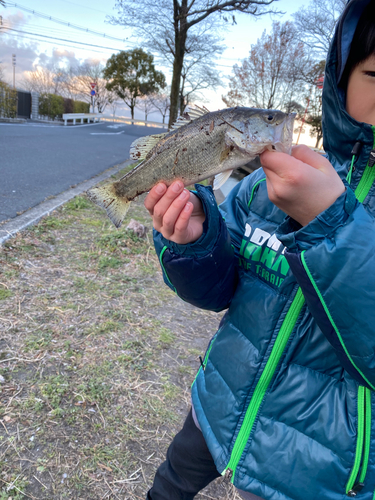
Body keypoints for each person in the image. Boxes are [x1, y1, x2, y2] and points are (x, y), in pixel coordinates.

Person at [144, 1, 375, 499]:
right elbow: (221, 289)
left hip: (315, 468)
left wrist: (331, 224)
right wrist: (197, 242)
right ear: (339, 77)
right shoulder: (264, 187)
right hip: (220, 401)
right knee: (167, 486)